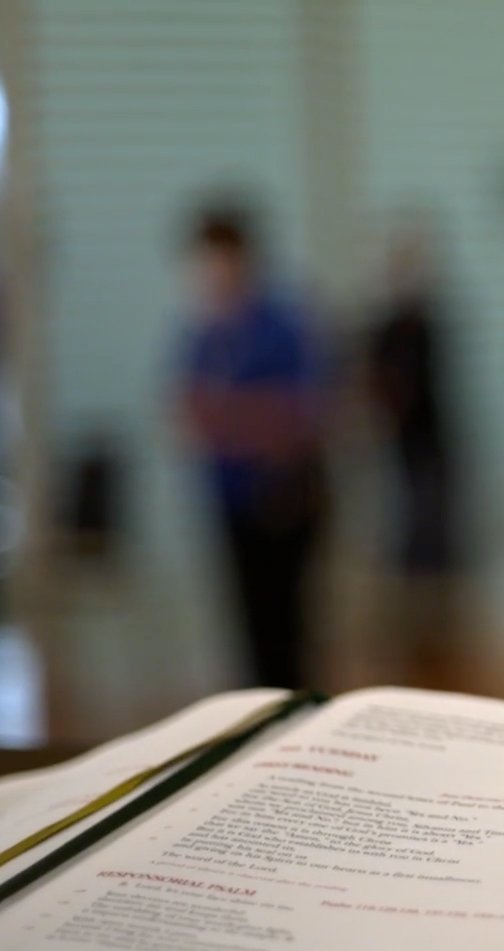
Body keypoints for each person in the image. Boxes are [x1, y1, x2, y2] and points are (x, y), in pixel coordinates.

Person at [177, 202, 328, 689]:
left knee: (285, 627)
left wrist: (232, 418)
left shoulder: (283, 325)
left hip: (280, 498)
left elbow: (298, 415)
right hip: (228, 496)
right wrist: (242, 417)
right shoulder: (205, 333)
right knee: (245, 627)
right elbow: (185, 411)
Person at [366, 224, 458, 579]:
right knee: (409, 518)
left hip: (431, 434)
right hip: (401, 437)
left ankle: (432, 585)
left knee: (434, 518)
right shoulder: (386, 329)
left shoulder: (428, 324)